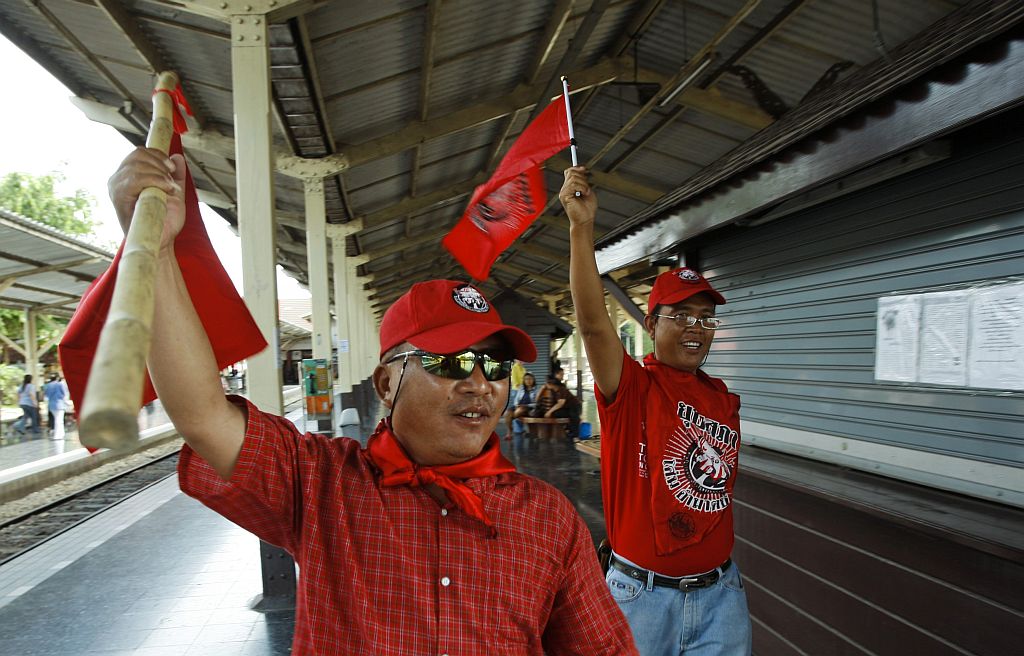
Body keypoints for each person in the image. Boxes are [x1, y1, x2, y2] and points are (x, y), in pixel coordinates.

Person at [107, 147, 638, 656]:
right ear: (386, 384)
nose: (481, 383)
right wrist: (153, 248)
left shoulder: (548, 517)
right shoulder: (322, 486)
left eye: (495, 365)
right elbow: (202, 415)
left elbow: (603, 648)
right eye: (448, 362)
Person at [561, 166, 751, 656]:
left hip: (720, 596)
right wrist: (581, 228)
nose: (696, 328)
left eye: (705, 319)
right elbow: (592, 324)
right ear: (651, 322)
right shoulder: (631, 387)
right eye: (681, 315)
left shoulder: (719, 396)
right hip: (641, 597)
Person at [508, 371, 538, 437]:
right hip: (518, 406)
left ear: (533, 380)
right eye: (526, 379)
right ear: (524, 380)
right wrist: (516, 405)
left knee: (519, 411)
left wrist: (526, 405)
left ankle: (516, 424)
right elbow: (516, 399)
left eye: (530, 379)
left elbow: (536, 404)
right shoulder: (521, 388)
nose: (528, 381)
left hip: (528, 407)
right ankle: (510, 431)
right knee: (508, 413)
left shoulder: (536, 390)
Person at [43, 374, 70, 441]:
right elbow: (64, 394)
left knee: (57, 419)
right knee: (59, 420)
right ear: (57, 378)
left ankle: (61, 433)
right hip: (59, 404)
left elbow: (46, 395)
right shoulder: (60, 384)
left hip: (51, 405)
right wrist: (66, 402)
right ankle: (57, 435)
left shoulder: (48, 385)